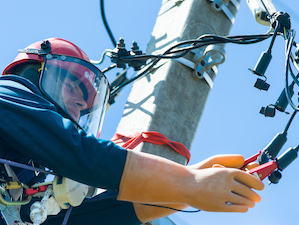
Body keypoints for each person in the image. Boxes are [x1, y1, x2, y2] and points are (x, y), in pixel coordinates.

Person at [0, 38, 264, 225]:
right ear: (35, 72)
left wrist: (186, 189)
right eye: (71, 86)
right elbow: (81, 153)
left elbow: (98, 217)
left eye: (85, 106)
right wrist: (188, 183)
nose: (79, 108)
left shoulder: (22, 190)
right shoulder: (7, 95)